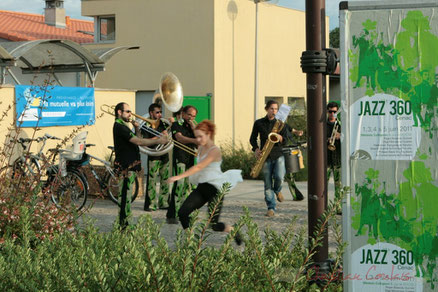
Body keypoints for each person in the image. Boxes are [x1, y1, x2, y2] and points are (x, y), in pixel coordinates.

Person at [167, 120, 243, 244]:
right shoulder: (201, 146)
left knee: (214, 225)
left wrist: (178, 177)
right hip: (202, 187)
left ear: (209, 134)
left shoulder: (215, 151)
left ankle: (234, 230)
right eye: (196, 136)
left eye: (201, 136)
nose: (198, 139)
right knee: (182, 213)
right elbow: (183, 140)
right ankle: (190, 240)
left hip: (215, 190)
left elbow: (198, 167)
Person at [113, 102, 168, 229]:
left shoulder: (125, 126)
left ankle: (126, 222)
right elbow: (138, 141)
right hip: (125, 166)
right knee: (124, 197)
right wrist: (159, 140)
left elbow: (137, 138)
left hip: (130, 166)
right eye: (127, 111)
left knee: (127, 197)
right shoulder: (120, 127)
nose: (130, 114)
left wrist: (137, 128)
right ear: (119, 112)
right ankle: (123, 225)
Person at [249, 100, 288, 217]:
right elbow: (252, 139)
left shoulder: (281, 124)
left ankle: (277, 190)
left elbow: (286, 140)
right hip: (265, 156)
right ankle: (271, 207)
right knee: (267, 183)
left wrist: (280, 137)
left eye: (276, 109)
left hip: (278, 154)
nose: (274, 111)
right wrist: (256, 149)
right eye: (272, 108)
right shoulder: (259, 123)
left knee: (280, 177)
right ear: (267, 109)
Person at [166, 105, 198, 224]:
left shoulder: (191, 126)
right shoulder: (176, 124)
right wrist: (194, 140)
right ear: (183, 113)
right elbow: (179, 138)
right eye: (189, 115)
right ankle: (172, 215)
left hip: (190, 159)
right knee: (178, 186)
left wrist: (193, 127)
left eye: (193, 116)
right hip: (180, 158)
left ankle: (183, 213)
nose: (191, 118)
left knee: (186, 188)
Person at [142, 103, 170, 211]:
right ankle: (151, 204)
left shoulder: (163, 123)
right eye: (157, 112)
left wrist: (172, 123)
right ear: (151, 113)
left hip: (164, 153)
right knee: (152, 180)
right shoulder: (145, 125)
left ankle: (164, 202)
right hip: (153, 153)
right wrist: (159, 137)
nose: (159, 114)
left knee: (165, 179)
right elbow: (145, 141)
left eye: (160, 112)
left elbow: (171, 134)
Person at [284, 124, 305, 201]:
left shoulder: (285, 125)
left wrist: (298, 132)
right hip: (277, 152)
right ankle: (271, 194)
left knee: (290, 175)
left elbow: (293, 130)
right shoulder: (271, 124)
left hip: (287, 150)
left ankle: (295, 195)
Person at [327, 102, 342, 205]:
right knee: (323, 185)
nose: (332, 114)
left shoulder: (342, 125)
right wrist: (327, 139)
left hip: (338, 158)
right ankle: (322, 206)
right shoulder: (322, 125)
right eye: (330, 111)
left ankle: (337, 206)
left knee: (338, 185)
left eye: (334, 112)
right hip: (326, 159)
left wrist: (341, 136)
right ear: (327, 112)